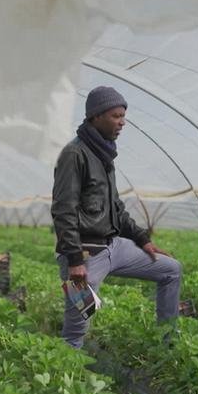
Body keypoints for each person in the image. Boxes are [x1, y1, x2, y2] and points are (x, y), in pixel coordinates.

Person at [50, 86, 182, 349]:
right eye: (116, 116)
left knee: (171, 270)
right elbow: (64, 210)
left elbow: (115, 208)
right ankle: (66, 374)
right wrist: (75, 260)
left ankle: (167, 344)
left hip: (114, 247)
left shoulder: (104, 153)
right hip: (87, 256)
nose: (122, 122)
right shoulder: (74, 154)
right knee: (78, 326)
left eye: (123, 116)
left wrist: (143, 240)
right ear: (95, 116)